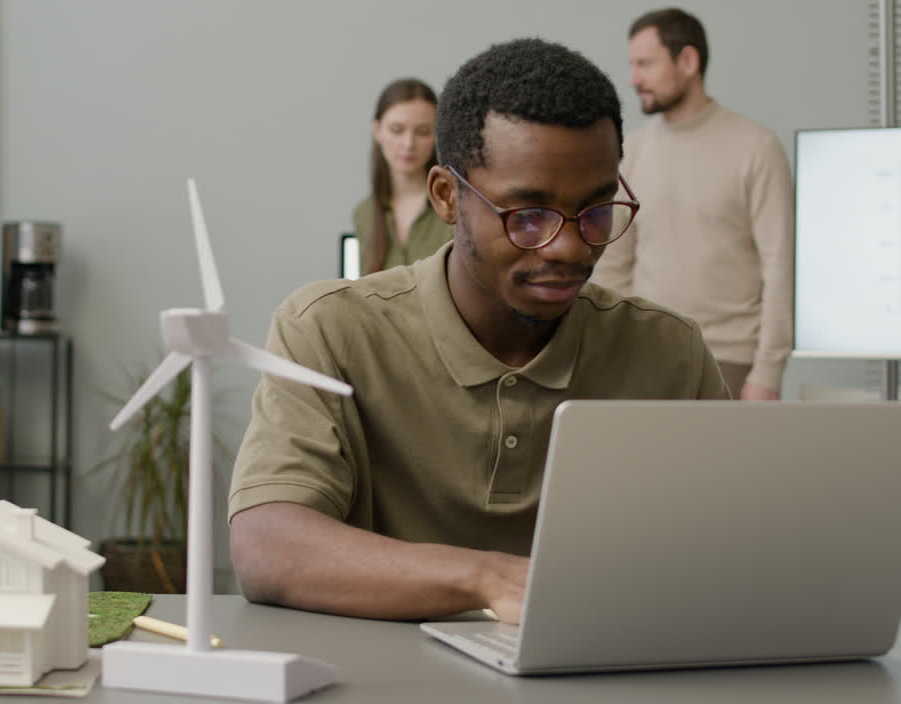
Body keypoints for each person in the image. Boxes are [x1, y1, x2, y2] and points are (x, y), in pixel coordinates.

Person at [228, 38, 728, 625]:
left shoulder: (669, 352)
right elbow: (267, 547)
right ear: (447, 196)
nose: (568, 246)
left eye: (595, 211)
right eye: (528, 216)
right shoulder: (328, 331)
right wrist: (492, 579)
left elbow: (734, 550)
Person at [591, 7, 794, 401]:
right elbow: (614, 266)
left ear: (687, 61)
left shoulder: (757, 148)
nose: (633, 79)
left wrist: (768, 371)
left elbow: (780, 265)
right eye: (632, 65)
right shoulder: (630, 152)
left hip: (732, 363)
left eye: (645, 64)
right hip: (647, 358)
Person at [351, 78, 450, 276]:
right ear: (377, 131)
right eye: (397, 130)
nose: (408, 144)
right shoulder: (364, 214)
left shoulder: (453, 206)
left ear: (436, 136)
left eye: (422, 132)